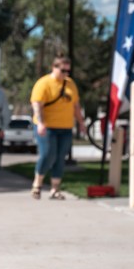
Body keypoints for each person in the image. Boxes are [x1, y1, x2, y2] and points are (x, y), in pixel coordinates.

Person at [29, 56, 86, 200]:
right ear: (54, 68)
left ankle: (55, 189)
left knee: (60, 157)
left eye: (68, 71)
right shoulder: (44, 83)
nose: (66, 73)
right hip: (47, 127)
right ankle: (37, 183)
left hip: (66, 127)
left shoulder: (70, 84)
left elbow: (76, 105)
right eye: (63, 70)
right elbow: (37, 105)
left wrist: (81, 122)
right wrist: (41, 123)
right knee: (48, 154)